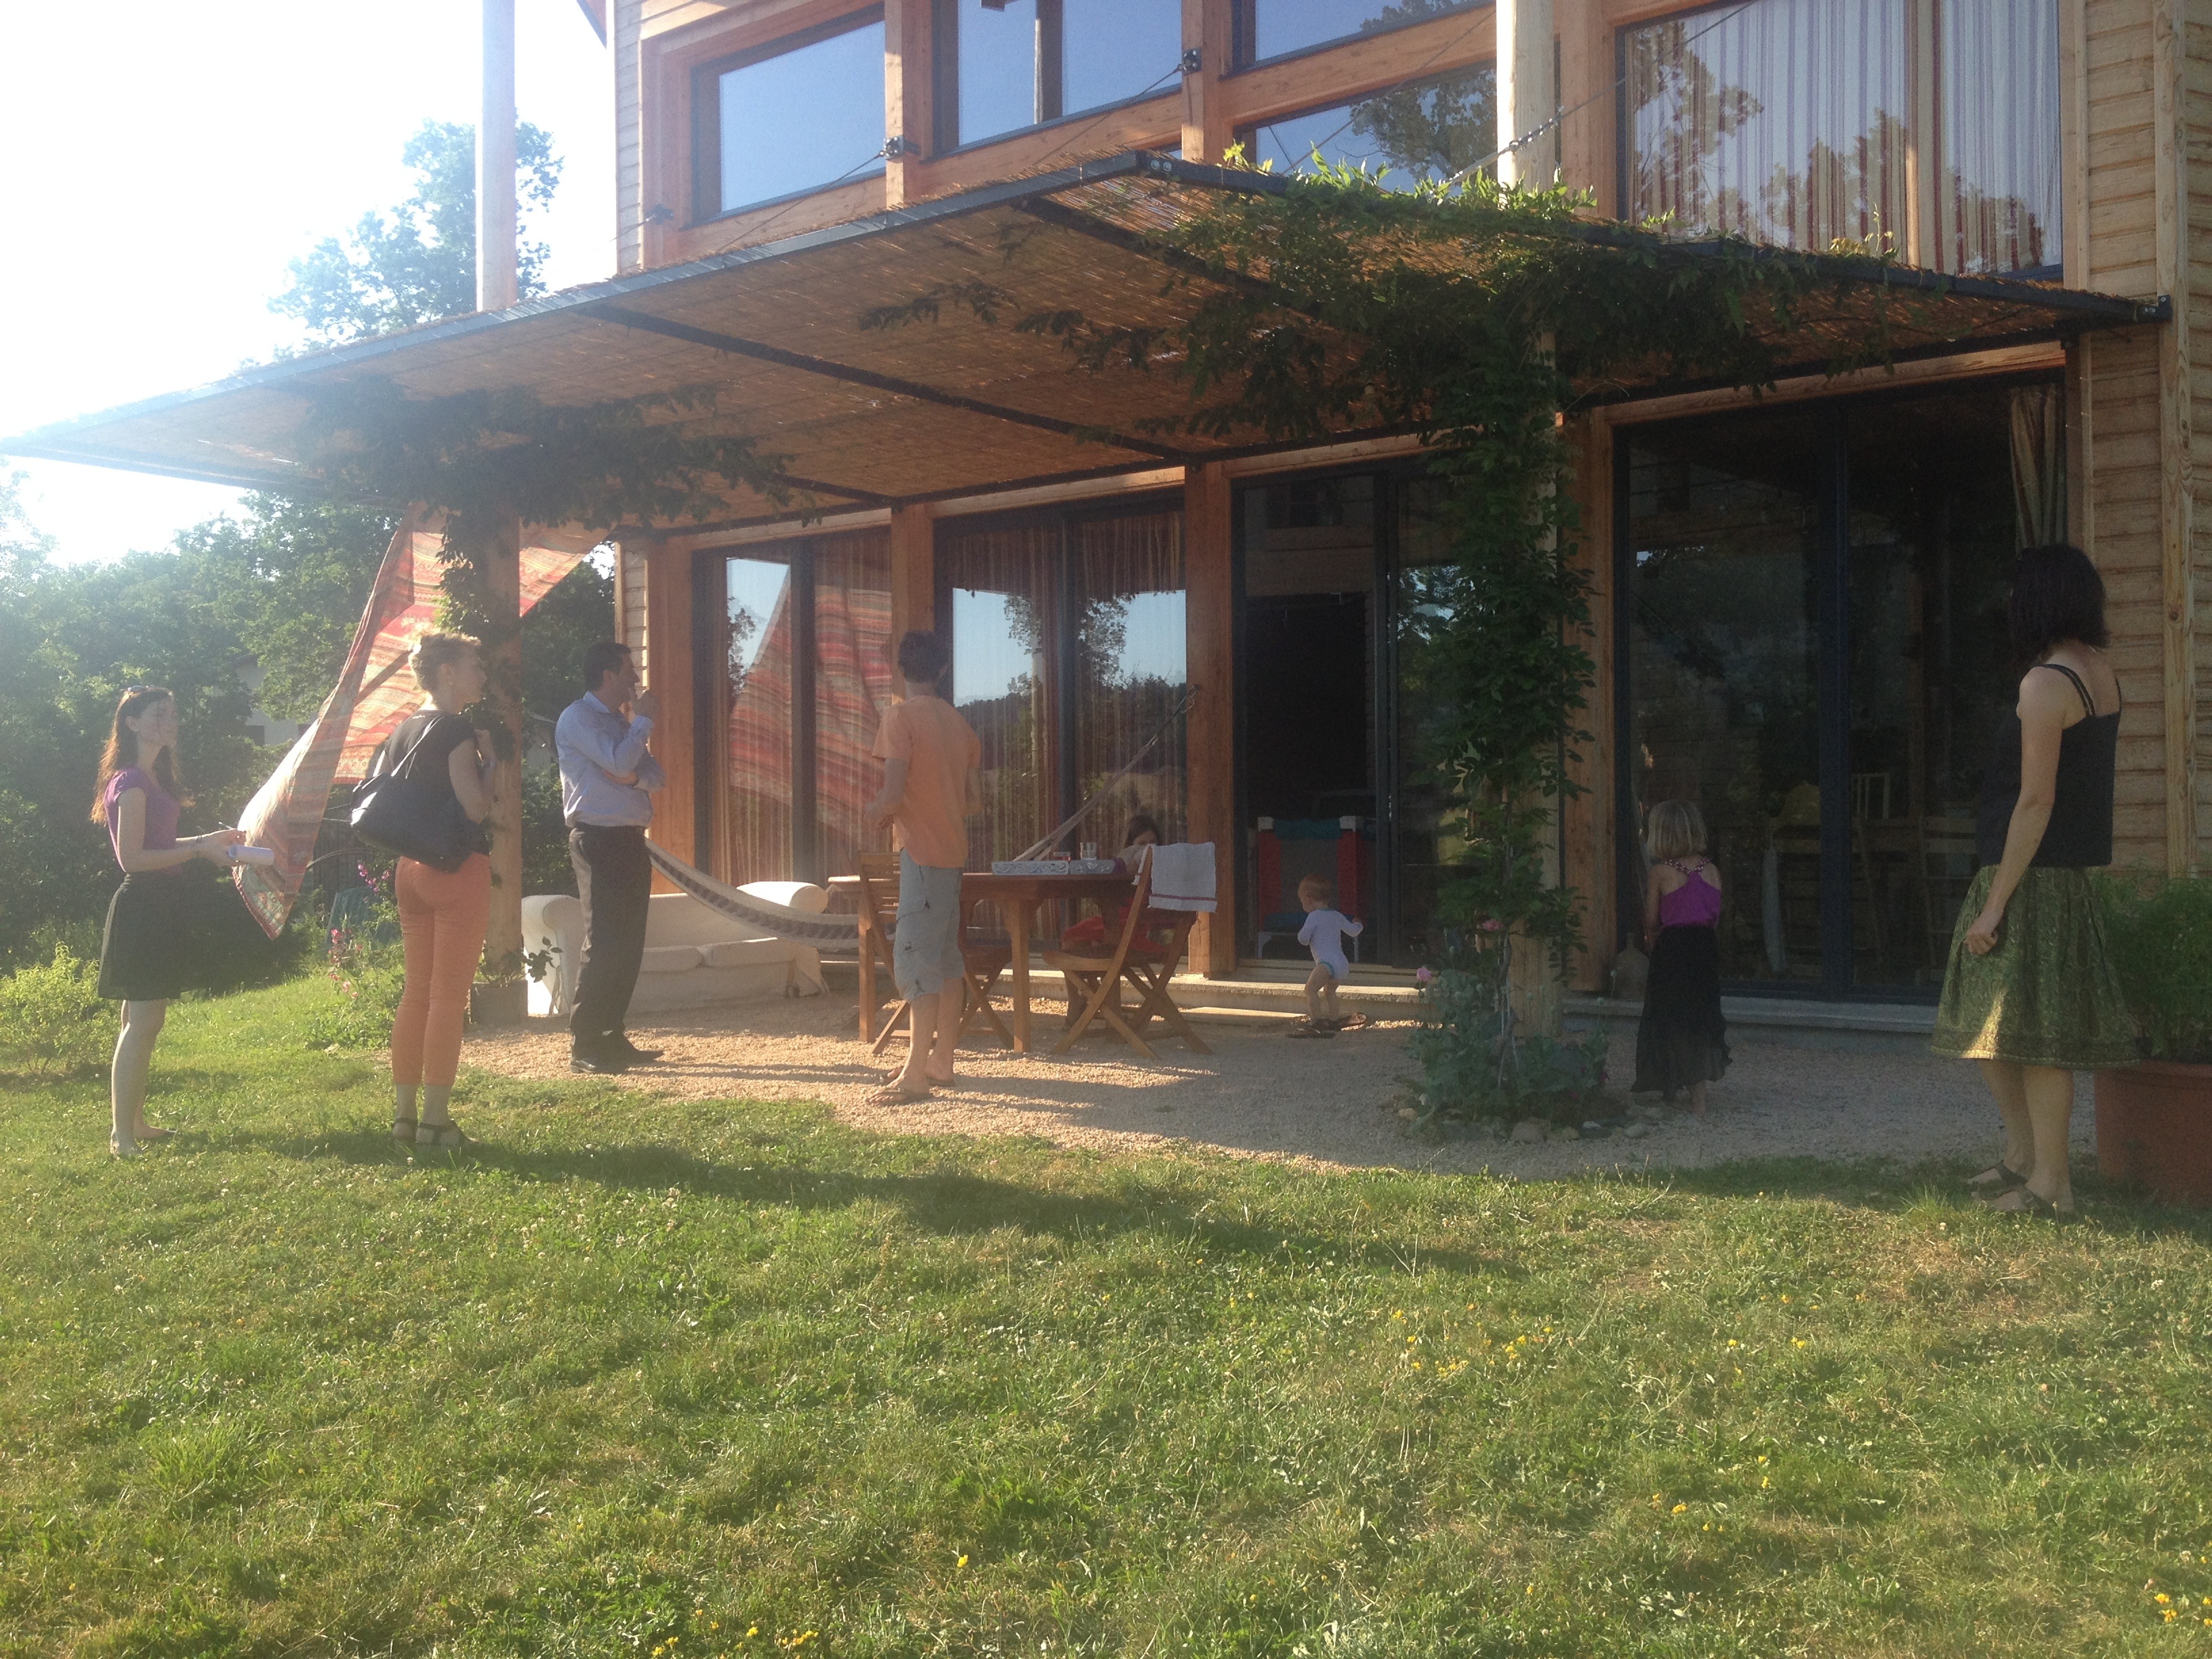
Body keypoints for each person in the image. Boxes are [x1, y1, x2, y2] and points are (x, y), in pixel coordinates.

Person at [1933, 543, 2137, 1215]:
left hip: (2030, 878)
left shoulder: (2046, 682)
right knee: (1992, 1024)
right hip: (2046, 874)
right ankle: (2023, 1157)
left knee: (2036, 1034)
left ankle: (2054, 1184)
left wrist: (1995, 906)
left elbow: (2037, 800)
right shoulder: (2098, 670)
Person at [91, 687, 242, 1158]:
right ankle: (123, 1137)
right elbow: (132, 858)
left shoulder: (151, 779)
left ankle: (133, 1123)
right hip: (142, 907)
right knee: (143, 1023)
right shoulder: (132, 781)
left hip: (156, 906)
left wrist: (204, 837)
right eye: (160, 714)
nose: (170, 721)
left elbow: (156, 840)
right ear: (131, 723)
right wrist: (198, 850)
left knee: (137, 1023)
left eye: (173, 714)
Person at [382, 633, 496, 1151]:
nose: (483, 675)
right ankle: (437, 1121)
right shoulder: (455, 729)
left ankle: (404, 1117)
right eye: (475, 665)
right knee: (449, 998)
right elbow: (474, 808)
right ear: (447, 672)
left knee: (416, 994)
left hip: (408, 868)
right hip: (456, 867)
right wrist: (489, 766)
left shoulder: (404, 728)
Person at [865, 630, 981, 1104]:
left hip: (921, 855)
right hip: (952, 856)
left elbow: (892, 794)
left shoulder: (899, 718)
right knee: (947, 962)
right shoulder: (961, 726)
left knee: (915, 960)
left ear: (900, 670)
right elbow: (974, 802)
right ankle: (941, 1062)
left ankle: (915, 1075)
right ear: (942, 671)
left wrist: (874, 813)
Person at [556, 639, 667, 1076]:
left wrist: (631, 773)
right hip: (597, 839)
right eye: (628, 672)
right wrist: (643, 726)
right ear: (607, 676)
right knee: (603, 939)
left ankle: (612, 1034)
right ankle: (585, 1042)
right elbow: (621, 762)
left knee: (629, 940)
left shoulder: (621, 724)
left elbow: (653, 776)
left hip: (629, 839)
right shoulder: (578, 718)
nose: (635, 680)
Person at [1633, 800, 1729, 1114]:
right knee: (1700, 1014)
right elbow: (1714, 916)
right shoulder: (1712, 870)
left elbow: (1651, 919)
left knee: (1672, 1015)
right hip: (1704, 947)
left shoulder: (1661, 872)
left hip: (1673, 948)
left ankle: (1681, 1086)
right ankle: (1694, 1089)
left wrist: (1654, 934)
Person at [1292, 874, 1366, 1038]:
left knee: (1310, 990)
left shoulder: (1314, 916)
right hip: (1342, 964)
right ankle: (1334, 1021)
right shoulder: (1336, 915)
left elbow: (1303, 939)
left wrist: (1304, 937)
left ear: (1309, 899)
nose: (1302, 904)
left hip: (1326, 963)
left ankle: (1316, 1022)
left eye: (1302, 900)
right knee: (1330, 992)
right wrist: (1358, 923)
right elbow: (1354, 932)